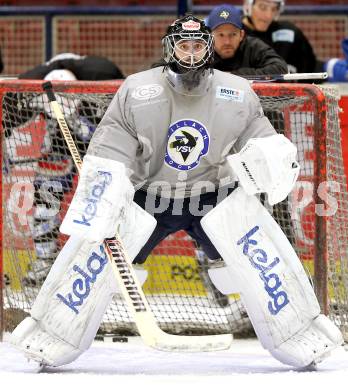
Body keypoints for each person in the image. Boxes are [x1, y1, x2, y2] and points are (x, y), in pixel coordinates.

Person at [10, 15, 343, 369]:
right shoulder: (137, 90)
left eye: (198, 45)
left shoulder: (237, 92)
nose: (191, 53)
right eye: (184, 45)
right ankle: (51, 334)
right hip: (148, 198)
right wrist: (106, 191)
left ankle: (301, 332)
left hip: (215, 197)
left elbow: (262, 139)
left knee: (264, 261)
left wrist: (271, 159)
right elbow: (110, 150)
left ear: (208, 47)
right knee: (93, 261)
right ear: (170, 48)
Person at [4, 53, 124, 286]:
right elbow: (9, 117)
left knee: (106, 203)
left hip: (103, 145)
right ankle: (46, 258)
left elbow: (111, 129)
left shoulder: (101, 80)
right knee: (45, 196)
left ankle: (108, 262)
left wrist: (76, 119)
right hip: (60, 143)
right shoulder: (32, 87)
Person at [242, 0, 348, 81]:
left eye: (274, 9)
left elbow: (310, 66)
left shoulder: (289, 31)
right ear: (249, 6)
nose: (268, 15)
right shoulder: (234, 34)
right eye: (262, 7)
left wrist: (331, 68)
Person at [206, 4, 287, 76]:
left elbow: (280, 68)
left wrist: (234, 75)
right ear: (210, 36)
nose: (227, 41)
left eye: (233, 34)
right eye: (221, 35)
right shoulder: (202, 50)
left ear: (241, 35)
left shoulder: (253, 46)